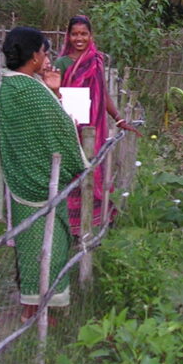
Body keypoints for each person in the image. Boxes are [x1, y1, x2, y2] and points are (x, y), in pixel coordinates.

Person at [0, 26, 87, 322]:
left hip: (21, 181)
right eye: (43, 51)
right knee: (48, 249)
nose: (46, 57)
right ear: (33, 56)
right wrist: (53, 93)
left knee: (30, 249)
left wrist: (52, 90)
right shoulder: (29, 90)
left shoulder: (11, 85)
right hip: (42, 184)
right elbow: (62, 128)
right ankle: (37, 313)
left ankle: (33, 309)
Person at [54, 15, 138, 234]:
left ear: (90, 36)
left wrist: (119, 119)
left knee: (93, 168)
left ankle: (94, 220)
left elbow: (103, 95)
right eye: (74, 34)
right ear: (68, 36)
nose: (79, 38)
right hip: (70, 125)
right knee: (74, 170)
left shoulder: (96, 60)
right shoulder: (61, 63)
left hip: (94, 127)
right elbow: (54, 95)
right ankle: (71, 226)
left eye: (83, 34)